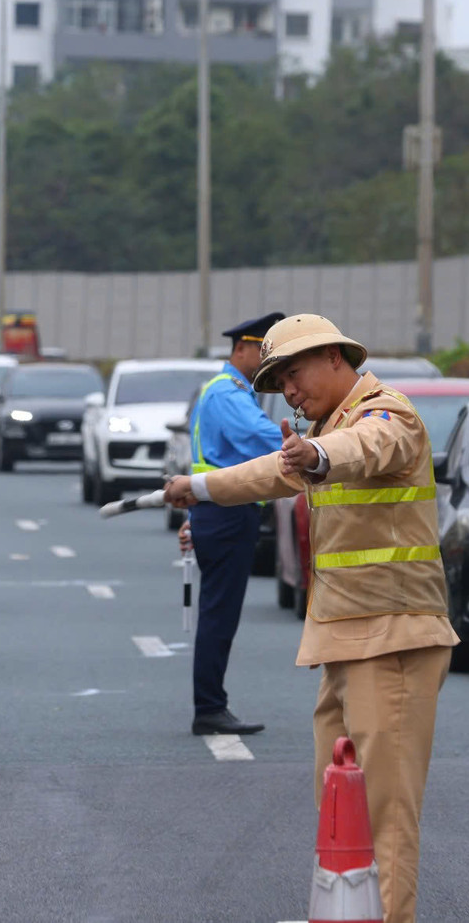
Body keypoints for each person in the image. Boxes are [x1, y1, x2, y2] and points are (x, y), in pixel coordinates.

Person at [164, 313, 454, 923]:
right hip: (346, 640)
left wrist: (317, 453)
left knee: (384, 815)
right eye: (278, 384)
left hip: (393, 639)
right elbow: (273, 472)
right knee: (340, 805)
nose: (288, 393)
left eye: (293, 375)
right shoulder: (329, 425)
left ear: (333, 357)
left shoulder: (386, 414)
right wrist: (202, 487)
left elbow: (362, 449)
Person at [182, 310, 287, 737]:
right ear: (242, 348)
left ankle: (211, 704)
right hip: (226, 512)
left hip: (219, 510)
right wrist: (323, 446)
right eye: (265, 352)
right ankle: (209, 708)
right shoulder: (228, 393)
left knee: (218, 613)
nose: (270, 362)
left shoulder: (228, 390)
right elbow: (263, 438)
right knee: (219, 616)